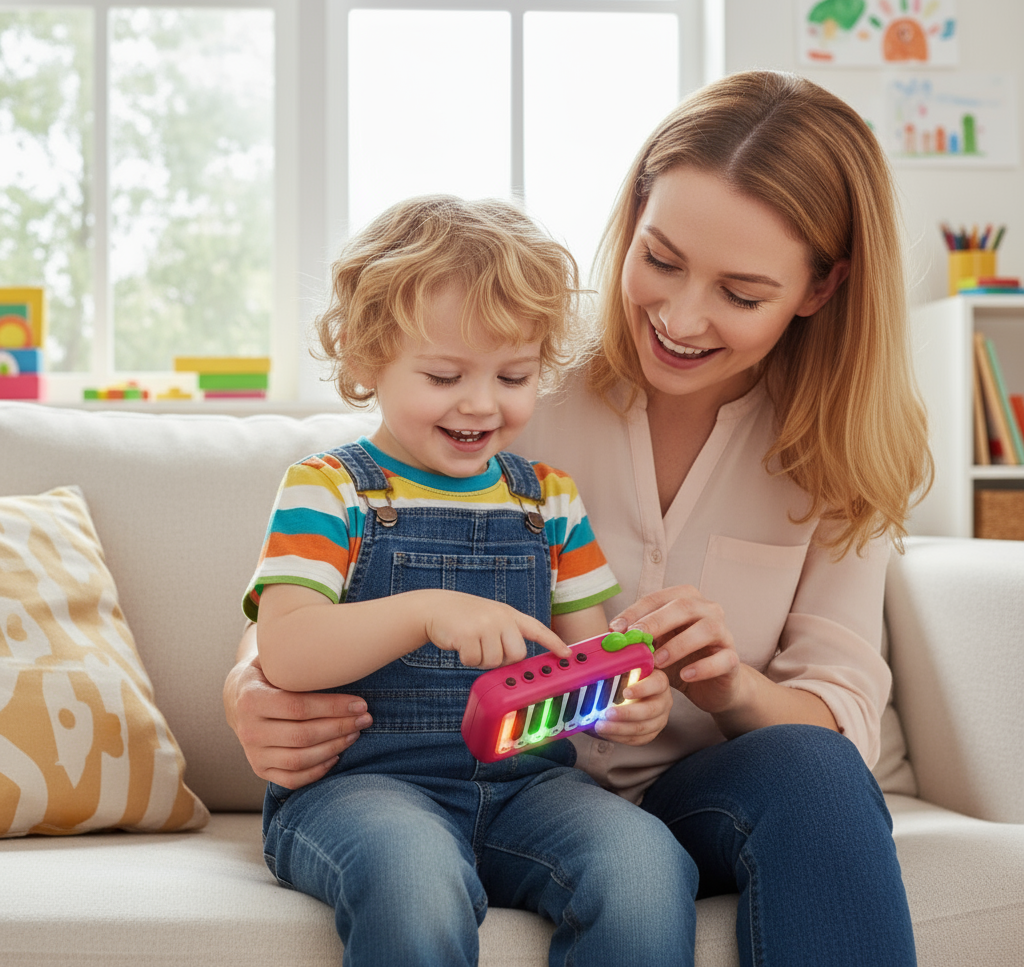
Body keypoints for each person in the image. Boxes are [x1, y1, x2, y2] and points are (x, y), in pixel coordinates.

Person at [225, 71, 933, 966]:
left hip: (672, 794)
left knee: (812, 772)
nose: (678, 318)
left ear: (820, 290)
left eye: (740, 294)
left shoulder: (841, 455)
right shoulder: (515, 383)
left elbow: (840, 717)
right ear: (633, 216)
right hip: (463, 779)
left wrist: (725, 686)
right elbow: (341, 537)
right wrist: (249, 683)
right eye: (661, 260)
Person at [242, 194, 693, 967]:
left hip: (530, 790)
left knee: (646, 867)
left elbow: (590, 660)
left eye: (514, 375)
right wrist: (422, 610)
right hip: (364, 789)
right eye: (446, 374)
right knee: (413, 879)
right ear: (364, 358)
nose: (482, 403)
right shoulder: (329, 491)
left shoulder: (548, 497)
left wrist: (627, 695)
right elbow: (285, 651)